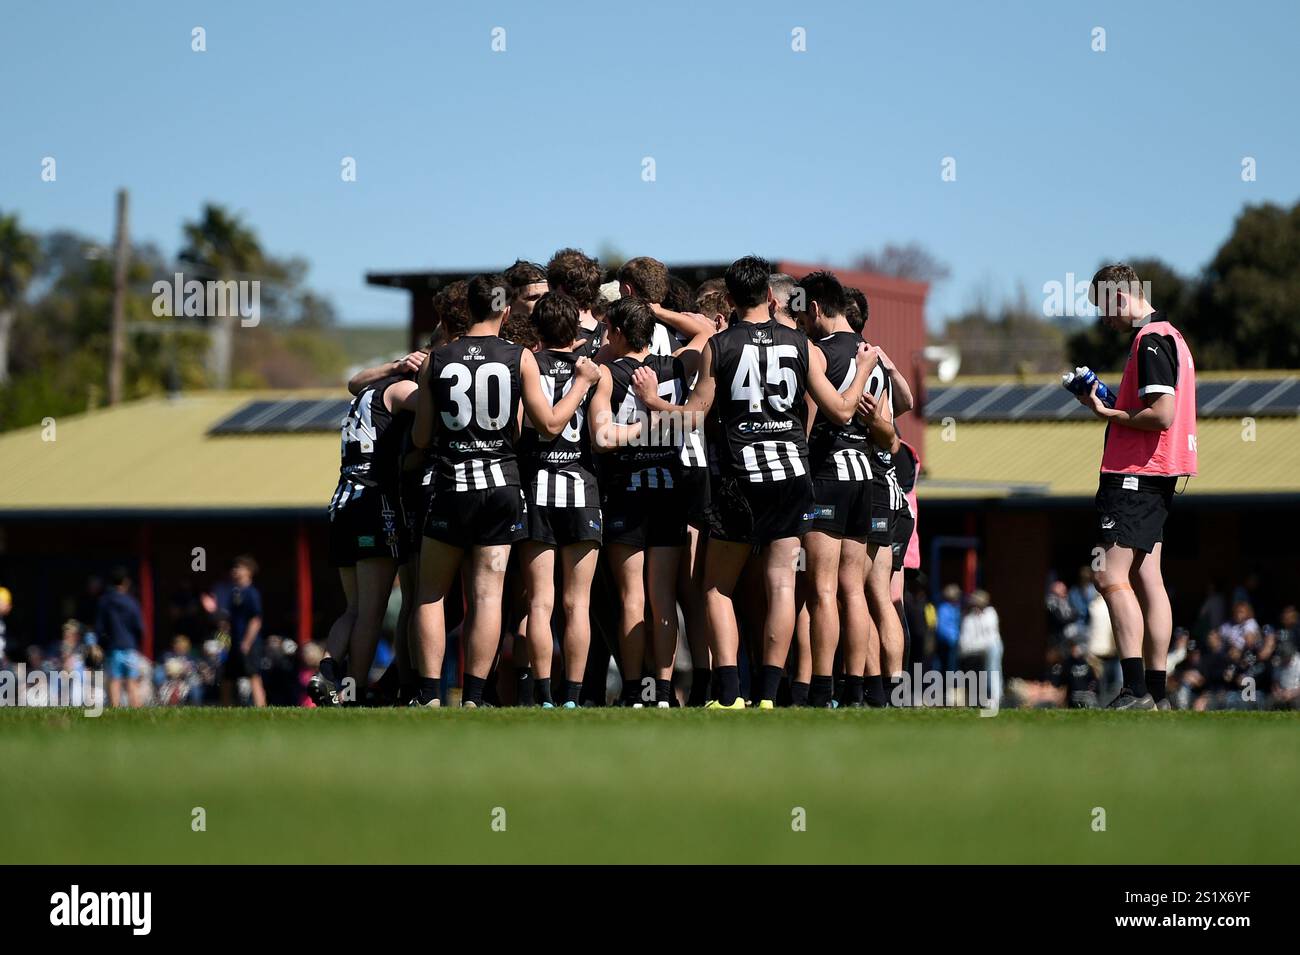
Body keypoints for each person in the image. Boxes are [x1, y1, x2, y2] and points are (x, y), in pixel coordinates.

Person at [632, 255, 876, 709]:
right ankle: (767, 695)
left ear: (729, 299)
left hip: (738, 480)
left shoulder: (718, 346)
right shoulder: (802, 345)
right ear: (769, 295)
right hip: (792, 477)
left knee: (716, 587)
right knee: (781, 583)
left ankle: (728, 694)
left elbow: (692, 418)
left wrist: (652, 401)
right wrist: (862, 370)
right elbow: (841, 411)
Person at [413, 273, 599, 708]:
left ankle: (427, 696)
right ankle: (475, 696)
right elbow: (549, 425)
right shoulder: (520, 358)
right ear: (506, 309)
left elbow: (422, 437)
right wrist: (582, 384)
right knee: (487, 596)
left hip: (450, 485)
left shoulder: (436, 360)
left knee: (430, 594)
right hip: (501, 487)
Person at [1079, 263, 1198, 709]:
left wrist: (1109, 414)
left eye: (1104, 309)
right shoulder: (1174, 337)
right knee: (1149, 578)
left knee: (1108, 573)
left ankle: (1134, 690)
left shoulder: (1149, 339)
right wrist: (1113, 401)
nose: (1104, 320)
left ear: (1120, 297)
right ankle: (1158, 691)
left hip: (1136, 474)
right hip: (1161, 474)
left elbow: (1161, 413)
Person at [516, 291, 603, 708]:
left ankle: (545, 695)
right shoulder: (595, 371)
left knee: (541, 601)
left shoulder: (527, 364)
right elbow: (603, 438)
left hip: (537, 490)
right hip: (582, 491)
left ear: (537, 329)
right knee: (577, 602)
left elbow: (524, 429)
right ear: (577, 330)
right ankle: (573, 696)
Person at [215, 556, 267, 707]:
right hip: (235, 642)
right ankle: (225, 708)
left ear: (249, 572)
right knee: (227, 677)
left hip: (249, 643)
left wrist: (247, 642)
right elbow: (229, 620)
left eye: (239, 568)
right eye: (234, 568)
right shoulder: (234, 593)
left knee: (254, 676)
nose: (235, 571)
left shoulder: (252, 593)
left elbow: (256, 619)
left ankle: (261, 707)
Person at [96, 567, 144, 708]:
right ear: (126, 582)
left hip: (113, 648)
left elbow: (99, 628)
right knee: (132, 682)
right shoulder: (132, 603)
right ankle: (136, 712)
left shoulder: (105, 602)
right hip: (130, 648)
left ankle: (115, 711)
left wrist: (102, 643)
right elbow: (140, 628)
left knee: (114, 681)